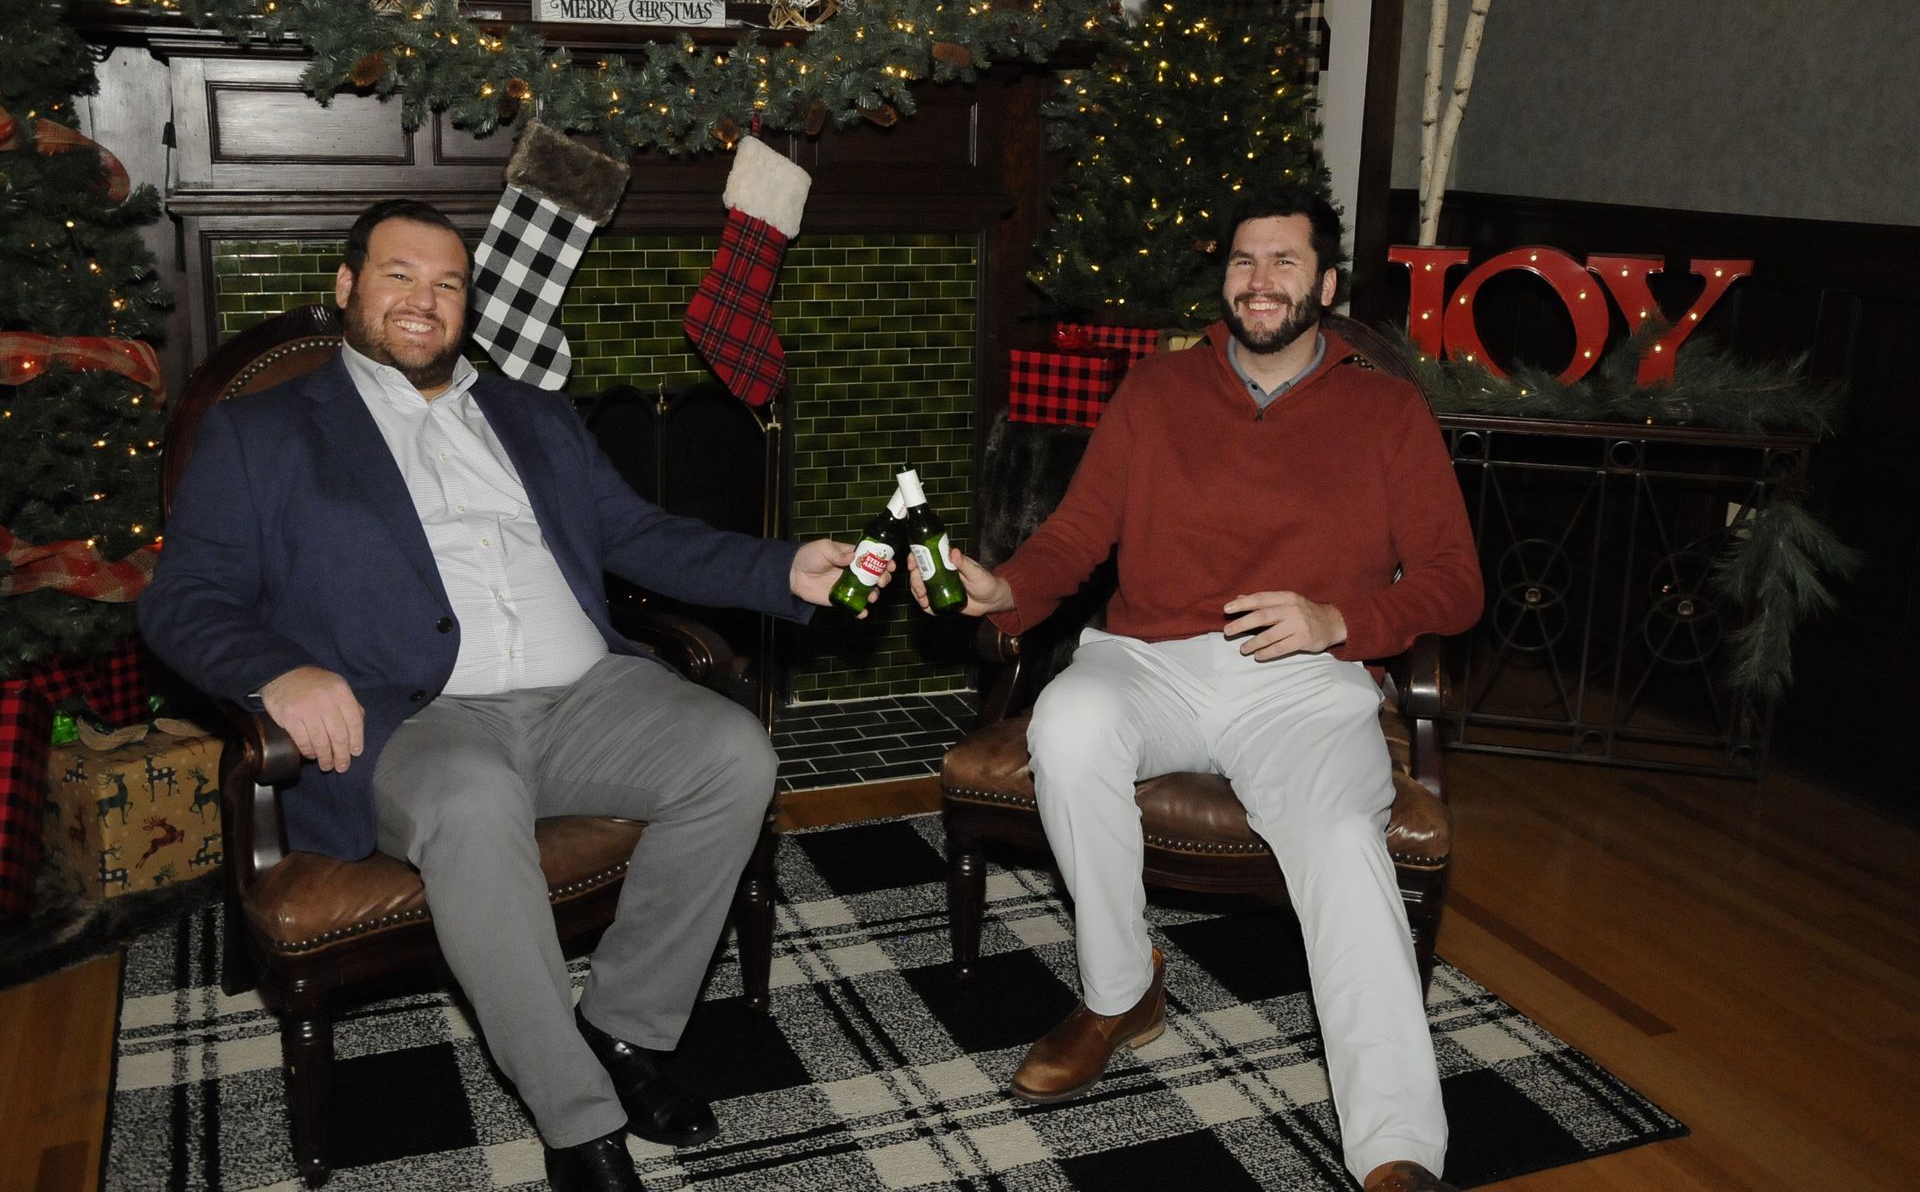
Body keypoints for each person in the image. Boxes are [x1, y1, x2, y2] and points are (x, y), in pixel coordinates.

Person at [139, 199, 887, 1192]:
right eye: (400, 275)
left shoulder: (534, 415)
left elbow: (644, 536)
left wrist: (783, 569)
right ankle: (577, 1117)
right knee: (474, 801)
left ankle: (625, 1026)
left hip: (585, 695)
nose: (424, 300)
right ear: (347, 288)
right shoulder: (261, 432)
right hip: (416, 719)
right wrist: (280, 670)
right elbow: (183, 599)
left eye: (448, 283)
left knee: (733, 753)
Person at [911, 187, 1483, 1192]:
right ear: (1225, 280)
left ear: (1328, 285)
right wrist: (1005, 590)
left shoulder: (1387, 413)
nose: (1262, 283)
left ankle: (1396, 1149)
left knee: (1347, 846)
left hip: (1306, 679)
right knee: (1069, 721)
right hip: (1153, 659)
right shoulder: (1155, 392)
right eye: (1245, 264)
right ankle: (1120, 991)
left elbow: (1455, 581)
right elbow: (1078, 537)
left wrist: (1339, 621)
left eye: (1286, 263)